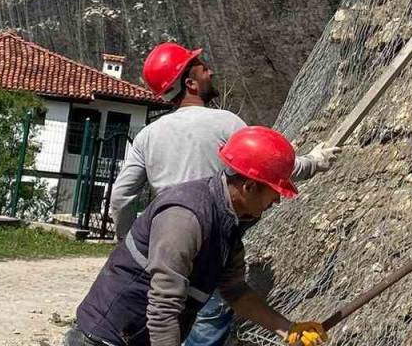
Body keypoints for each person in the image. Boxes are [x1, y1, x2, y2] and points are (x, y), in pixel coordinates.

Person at [108, 43, 339, 346]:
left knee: (163, 320)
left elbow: (121, 197)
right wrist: (315, 162)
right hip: (214, 246)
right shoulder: (225, 123)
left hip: (166, 246)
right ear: (190, 83)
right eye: (202, 67)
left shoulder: (149, 135)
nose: (210, 71)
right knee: (204, 324)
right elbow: (264, 166)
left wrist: (134, 246)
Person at [68, 126, 329, 346]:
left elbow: (234, 290)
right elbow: (163, 309)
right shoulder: (186, 218)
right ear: (249, 186)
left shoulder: (230, 219)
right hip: (103, 339)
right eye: (275, 192)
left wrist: (289, 329)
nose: (277, 201)